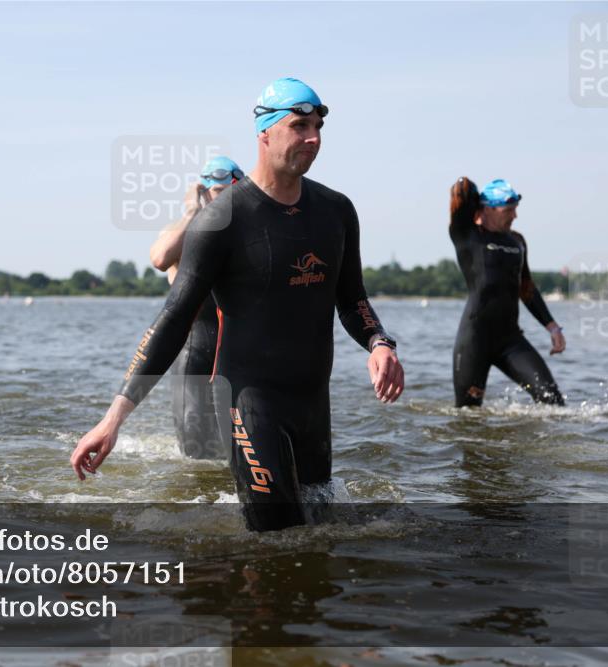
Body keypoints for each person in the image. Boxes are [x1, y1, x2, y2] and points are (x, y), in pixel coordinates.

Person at [71, 78, 404, 531]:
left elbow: (352, 297)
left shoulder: (336, 211)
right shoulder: (221, 221)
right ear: (265, 132)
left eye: (319, 127)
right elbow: (172, 319)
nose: (314, 138)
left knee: (320, 531)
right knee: (278, 541)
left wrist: (379, 343)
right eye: (300, 125)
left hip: (312, 404)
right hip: (249, 400)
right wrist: (113, 420)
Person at [149, 156, 244, 459]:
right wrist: (192, 210)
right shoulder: (182, 234)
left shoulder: (248, 236)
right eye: (216, 194)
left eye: (230, 193)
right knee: (199, 460)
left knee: (246, 458)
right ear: (203, 193)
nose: (223, 202)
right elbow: (160, 258)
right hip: (195, 360)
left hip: (242, 363)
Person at [449, 177, 565, 407]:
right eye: (509, 210)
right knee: (468, 415)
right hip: (474, 340)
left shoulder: (517, 241)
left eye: (516, 210)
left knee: (552, 401)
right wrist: (472, 193)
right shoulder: (468, 235)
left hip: (511, 340)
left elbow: (527, 288)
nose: (515, 216)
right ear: (488, 208)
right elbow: (461, 190)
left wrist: (552, 327)